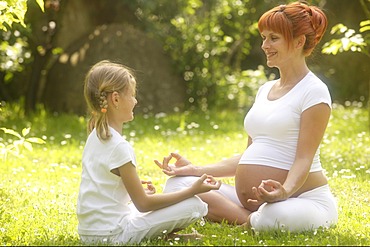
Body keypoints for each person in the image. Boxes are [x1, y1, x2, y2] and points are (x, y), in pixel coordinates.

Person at [155, 1, 338, 232]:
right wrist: (196, 170)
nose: (264, 45)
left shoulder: (314, 91)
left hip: (301, 200)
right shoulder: (265, 90)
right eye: (263, 38)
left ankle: (250, 218)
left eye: (273, 38)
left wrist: (284, 191)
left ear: (299, 41)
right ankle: (249, 218)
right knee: (178, 184)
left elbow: (304, 159)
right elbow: (249, 156)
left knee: (275, 215)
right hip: (254, 201)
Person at [76, 60, 221, 245]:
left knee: (157, 207)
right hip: (112, 236)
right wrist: (192, 190)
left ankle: (166, 236)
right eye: (133, 95)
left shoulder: (95, 135)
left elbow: (103, 189)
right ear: (116, 99)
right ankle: (160, 235)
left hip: (89, 233)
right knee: (195, 205)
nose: (136, 101)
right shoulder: (119, 146)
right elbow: (143, 204)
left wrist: (133, 191)